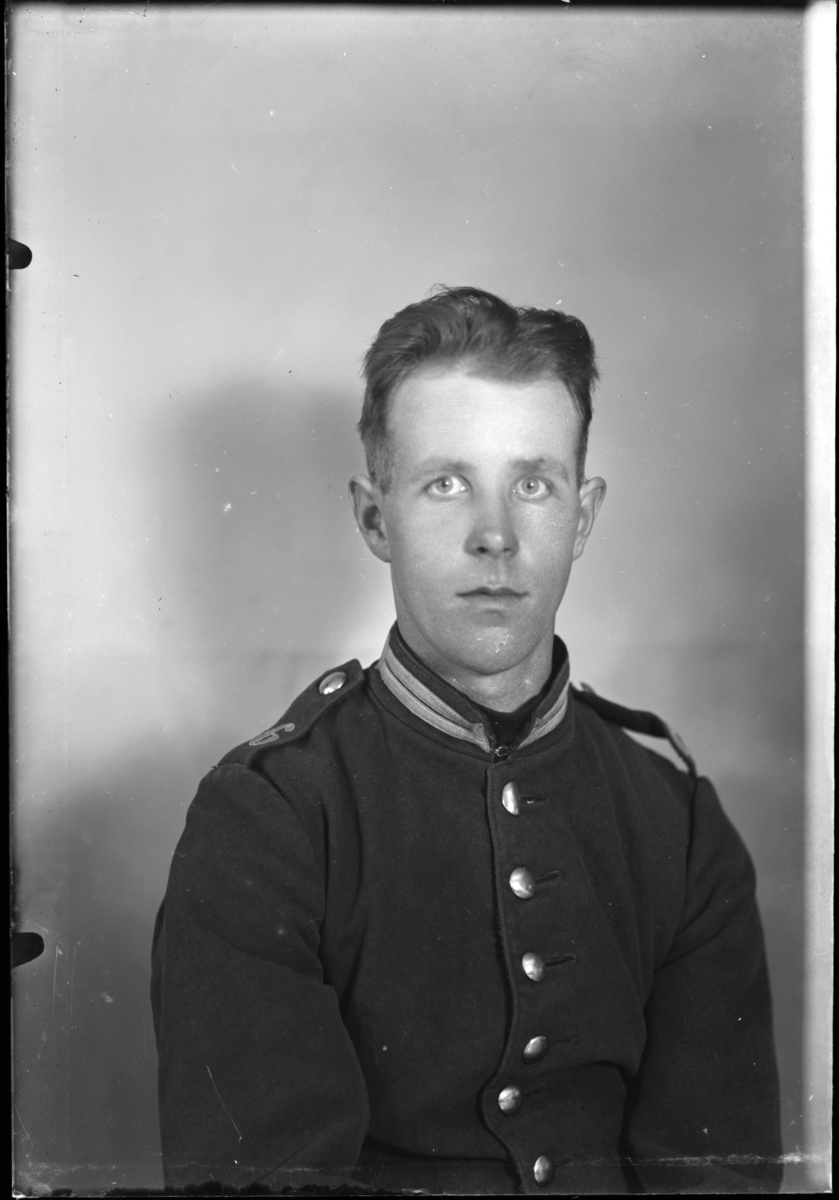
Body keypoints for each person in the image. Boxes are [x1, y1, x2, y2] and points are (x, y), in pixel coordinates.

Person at [151, 286, 783, 1195]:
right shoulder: (268, 815)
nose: (495, 536)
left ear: (582, 516)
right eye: (446, 484)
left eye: (532, 484)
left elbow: (718, 1174)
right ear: (376, 518)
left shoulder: (676, 819)